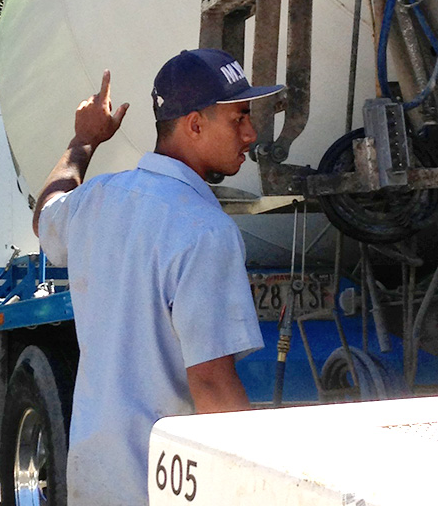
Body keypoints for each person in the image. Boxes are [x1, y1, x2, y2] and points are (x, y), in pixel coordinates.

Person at [33, 48, 284, 506]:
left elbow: (46, 214)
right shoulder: (205, 230)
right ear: (194, 124)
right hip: (164, 488)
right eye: (239, 118)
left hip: (96, 479)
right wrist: (259, 488)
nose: (250, 133)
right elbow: (211, 383)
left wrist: (83, 141)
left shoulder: (98, 200)